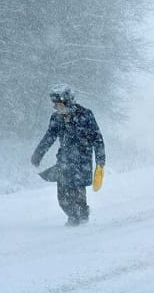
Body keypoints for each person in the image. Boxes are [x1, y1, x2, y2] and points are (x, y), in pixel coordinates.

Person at [31, 84, 106, 226]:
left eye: (60, 105)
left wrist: (100, 161)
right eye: (56, 105)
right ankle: (72, 216)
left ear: (69, 102)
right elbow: (49, 137)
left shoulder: (86, 115)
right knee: (62, 196)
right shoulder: (56, 118)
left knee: (77, 192)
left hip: (82, 161)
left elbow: (98, 139)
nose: (58, 108)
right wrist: (38, 154)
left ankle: (82, 217)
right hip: (64, 161)